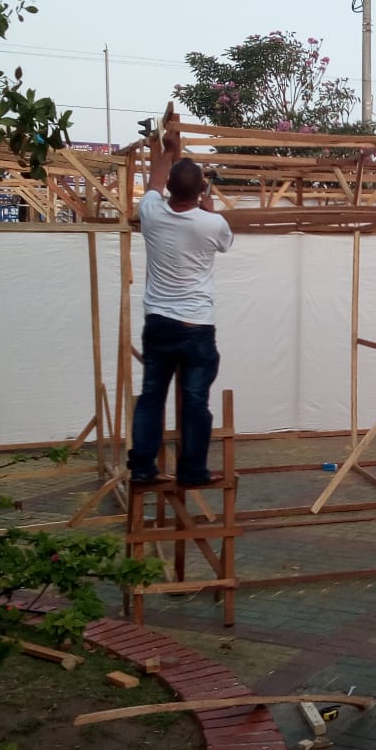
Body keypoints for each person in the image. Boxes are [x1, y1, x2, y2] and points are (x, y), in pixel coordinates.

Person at [126, 126, 234, 486]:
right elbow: (224, 243)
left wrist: (168, 149)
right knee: (195, 403)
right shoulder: (212, 223)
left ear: (171, 189)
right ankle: (193, 471)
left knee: (152, 397)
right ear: (201, 189)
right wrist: (209, 208)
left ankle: (142, 469)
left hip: (158, 323)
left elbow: (154, 182)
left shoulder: (152, 213)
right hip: (196, 327)